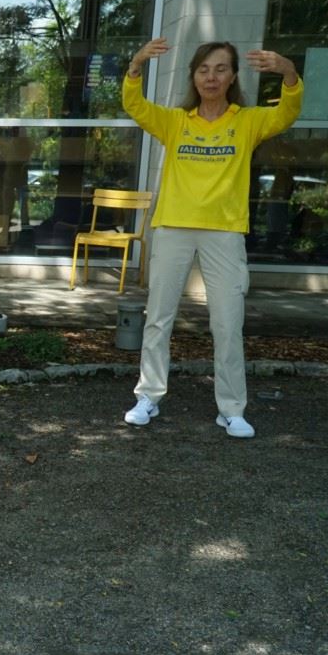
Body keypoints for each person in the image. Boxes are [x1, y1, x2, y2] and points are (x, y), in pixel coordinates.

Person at [121, 38, 302, 439]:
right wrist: (136, 64)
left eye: (221, 69)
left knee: (227, 322)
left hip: (225, 231)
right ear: (194, 77)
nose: (211, 77)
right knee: (159, 318)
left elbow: (287, 113)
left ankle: (232, 409)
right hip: (173, 227)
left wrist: (288, 72)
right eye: (203, 69)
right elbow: (135, 106)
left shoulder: (247, 121)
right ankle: (148, 396)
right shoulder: (175, 121)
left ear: (233, 76)